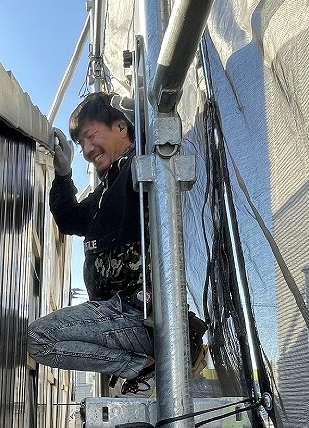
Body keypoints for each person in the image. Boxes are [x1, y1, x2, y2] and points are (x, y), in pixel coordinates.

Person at [28, 91, 205, 393]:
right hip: (117, 310)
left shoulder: (140, 168)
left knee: (41, 338)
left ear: (122, 127)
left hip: (141, 313)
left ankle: (144, 368)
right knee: (41, 340)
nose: (85, 148)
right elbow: (70, 220)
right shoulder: (105, 191)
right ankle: (143, 366)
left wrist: (145, 118)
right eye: (80, 142)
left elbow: (161, 149)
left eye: (90, 135)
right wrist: (62, 175)